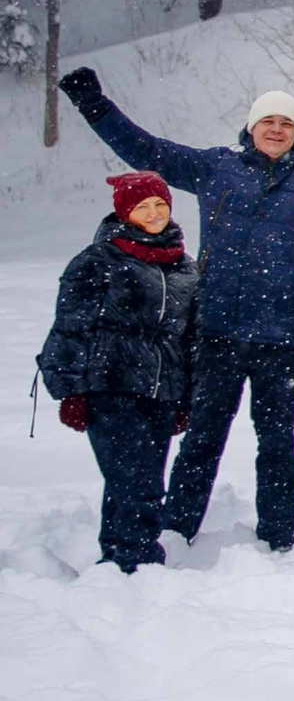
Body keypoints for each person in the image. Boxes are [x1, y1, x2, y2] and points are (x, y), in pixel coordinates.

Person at [56, 70, 294, 551]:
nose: (277, 129)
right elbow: (146, 151)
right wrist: (93, 104)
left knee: (278, 441)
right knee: (201, 436)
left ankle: (279, 531)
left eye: (287, 122)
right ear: (251, 128)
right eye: (268, 121)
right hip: (214, 331)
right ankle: (178, 527)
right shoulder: (216, 169)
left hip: (279, 337)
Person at [40, 173, 201, 571]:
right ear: (125, 213)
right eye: (142, 207)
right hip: (110, 386)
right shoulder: (99, 261)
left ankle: (115, 560)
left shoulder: (184, 267)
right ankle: (140, 563)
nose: (153, 213)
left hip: (161, 391)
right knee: (140, 484)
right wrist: (70, 390)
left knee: (129, 484)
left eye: (160, 205)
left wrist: (185, 398)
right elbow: (70, 326)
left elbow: (190, 340)